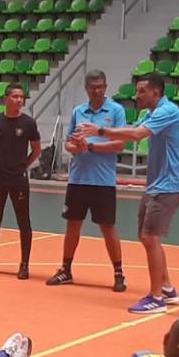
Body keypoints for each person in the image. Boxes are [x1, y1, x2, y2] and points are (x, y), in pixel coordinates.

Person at [76, 73, 179, 314]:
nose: (136, 95)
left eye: (141, 91)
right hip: (155, 185)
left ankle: (156, 298)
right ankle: (167, 288)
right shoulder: (151, 114)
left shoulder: (168, 111)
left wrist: (100, 130)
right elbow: (133, 131)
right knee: (146, 236)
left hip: (168, 186)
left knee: (150, 237)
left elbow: (136, 136)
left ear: (155, 93)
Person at [46, 70, 128, 293]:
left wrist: (91, 146)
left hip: (103, 180)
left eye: (100, 86)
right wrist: (76, 147)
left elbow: (120, 145)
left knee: (107, 226)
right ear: (86, 88)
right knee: (73, 224)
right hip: (78, 178)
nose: (97, 90)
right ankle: (66, 269)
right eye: (93, 87)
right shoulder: (78, 111)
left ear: (106, 86)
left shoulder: (116, 111)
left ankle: (119, 273)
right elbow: (69, 144)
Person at [0, 84, 41, 280]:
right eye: (15, 96)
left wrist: (22, 165)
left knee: (23, 222)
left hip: (18, 179)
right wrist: (0, 161)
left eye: (22, 97)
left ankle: (24, 264)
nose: (19, 100)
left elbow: (36, 150)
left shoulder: (28, 123)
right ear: (6, 99)